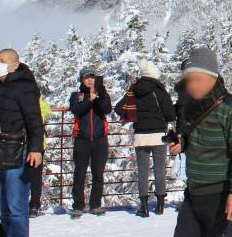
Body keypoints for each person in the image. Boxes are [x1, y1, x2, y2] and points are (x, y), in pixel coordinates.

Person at [168, 45, 232, 237]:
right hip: (193, 194)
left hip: (221, 195)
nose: (193, 86)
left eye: (199, 79)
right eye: (190, 80)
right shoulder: (191, 108)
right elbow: (195, 138)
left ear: (213, 77)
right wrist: (182, 143)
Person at [0, 49, 44, 237]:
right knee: (4, 205)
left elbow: (34, 119)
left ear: (15, 64)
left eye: (2, 60)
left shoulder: (23, 87)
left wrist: (36, 148)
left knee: (16, 205)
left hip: (17, 149)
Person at [118, 59, 177, 217]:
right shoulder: (159, 90)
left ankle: (143, 207)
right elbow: (171, 114)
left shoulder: (133, 90)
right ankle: (160, 206)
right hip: (159, 136)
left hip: (140, 137)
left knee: (143, 172)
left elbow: (119, 108)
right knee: (159, 171)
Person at [68, 66, 112, 218]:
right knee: (79, 174)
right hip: (82, 140)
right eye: (87, 77)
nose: (90, 80)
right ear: (82, 79)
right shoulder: (77, 95)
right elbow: (76, 110)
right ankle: (78, 205)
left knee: (98, 174)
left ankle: (96, 204)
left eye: (92, 77)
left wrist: (98, 95)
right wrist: (89, 99)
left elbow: (107, 109)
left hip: (100, 140)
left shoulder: (102, 94)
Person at [28, 95, 51, 217]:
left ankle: (26, 204)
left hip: (23, 144)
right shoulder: (39, 101)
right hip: (39, 144)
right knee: (36, 176)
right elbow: (48, 112)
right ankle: (34, 205)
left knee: (22, 176)